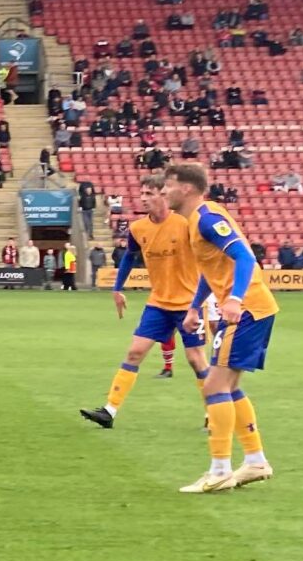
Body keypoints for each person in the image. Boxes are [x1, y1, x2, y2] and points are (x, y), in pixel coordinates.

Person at [167, 160, 276, 492]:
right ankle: (255, 461)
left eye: (169, 185)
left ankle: (220, 470)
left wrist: (235, 299)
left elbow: (245, 257)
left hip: (247, 310)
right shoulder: (196, 221)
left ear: (186, 188)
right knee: (227, 387)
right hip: (252, 309)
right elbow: (211, 269)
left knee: (214, 387)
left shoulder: (207, 218)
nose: (164, 191)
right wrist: (195, 306)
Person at [82, 175, 208, 429]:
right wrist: (117, 288)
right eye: (142, 194)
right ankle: (109, 410)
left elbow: (207, 256)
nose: (143, 199)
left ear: (164, 195)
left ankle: (214, 411)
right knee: (135, 352)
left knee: (196, 360)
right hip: (158, 303)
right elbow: (129, 256)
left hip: (188, 304)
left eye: (149, 194)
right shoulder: (138, 228)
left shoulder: (185, 223)